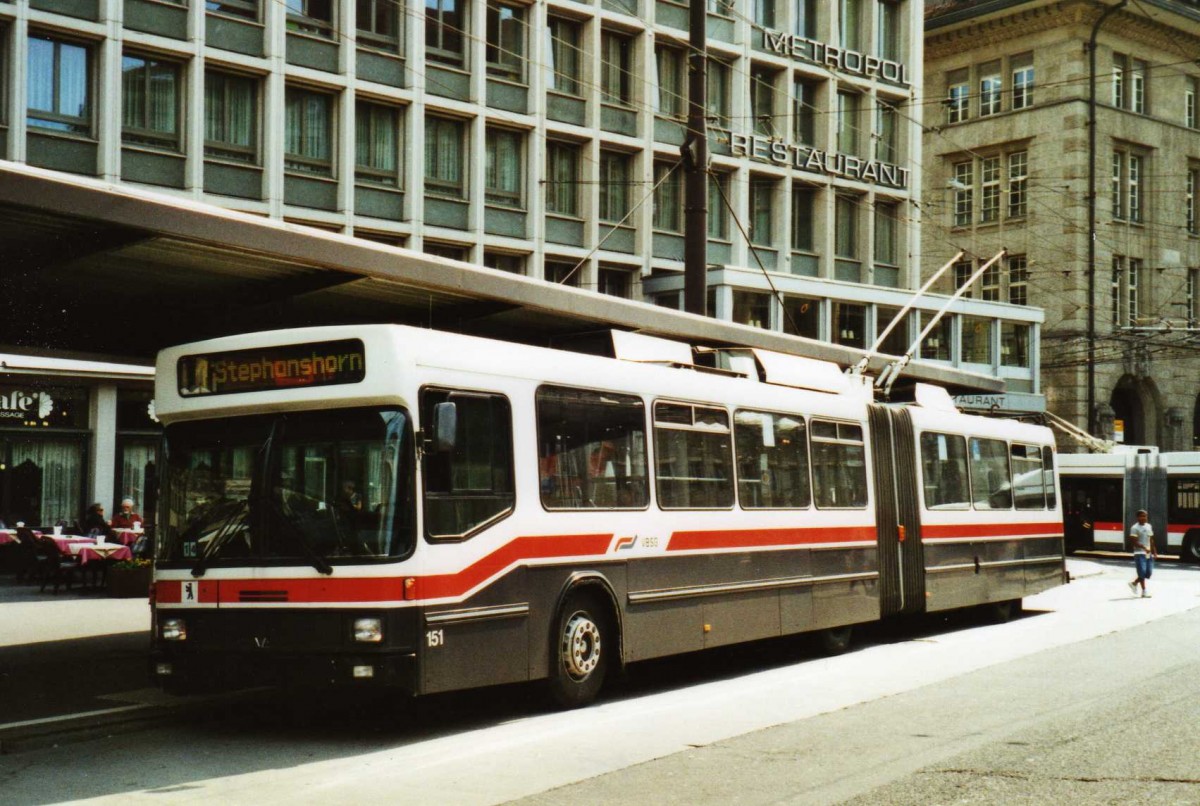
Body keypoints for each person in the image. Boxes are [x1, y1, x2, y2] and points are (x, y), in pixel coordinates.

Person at [1128, 509, 1156, 598]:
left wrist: (1154, 551)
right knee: (1142, 572)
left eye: (1145, 516)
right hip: (1139, 553)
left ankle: (1134, 583)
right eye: (1142, 516)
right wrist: (1144, 548)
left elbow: (1151, 539)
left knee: (1148, 573)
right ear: (1138, 517)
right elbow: (1133, 541)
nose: (1144, 518)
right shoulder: (1134, 528)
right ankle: (1144, 591)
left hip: (1148, 553)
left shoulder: (1149, 526)